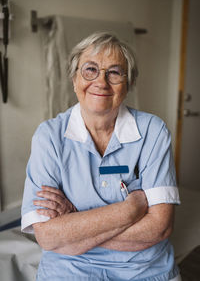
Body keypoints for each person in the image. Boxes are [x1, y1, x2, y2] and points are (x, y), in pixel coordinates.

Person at [21, 32, 181, 281]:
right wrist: (131, 210)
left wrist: (73, 228)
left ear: (128, 84)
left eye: (114, 72)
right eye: (90, 70)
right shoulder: (49, 136)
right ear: (74, 79)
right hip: (68, 269)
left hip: (143, 269)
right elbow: (47, 236)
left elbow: (159, 228)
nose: (101, 82)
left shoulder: (153, 131)